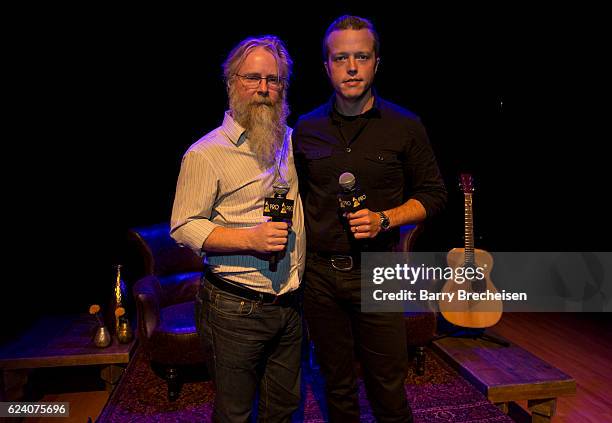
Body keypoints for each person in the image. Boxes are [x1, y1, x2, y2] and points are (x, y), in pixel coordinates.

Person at [293, 15, 447, 423]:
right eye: (340, 57)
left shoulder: (406, 125)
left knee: (388, 386)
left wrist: (385, 219)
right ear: (326, 66)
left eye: (361, 56)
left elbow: (434, 194)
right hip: (320, 276)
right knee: (335, 384)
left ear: (377, 62)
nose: (351, 66)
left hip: (379, 269)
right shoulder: (305, 129)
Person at [170, 35, 305, 423]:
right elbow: (183, 226)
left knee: (284, 410)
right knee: (235, 413)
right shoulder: (205, 153)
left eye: (274, 80)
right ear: (232, 83)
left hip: (289, 305)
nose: (264, 89)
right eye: (253, 78)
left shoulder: (293, 143)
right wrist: (249, 239)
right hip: (234, 308)